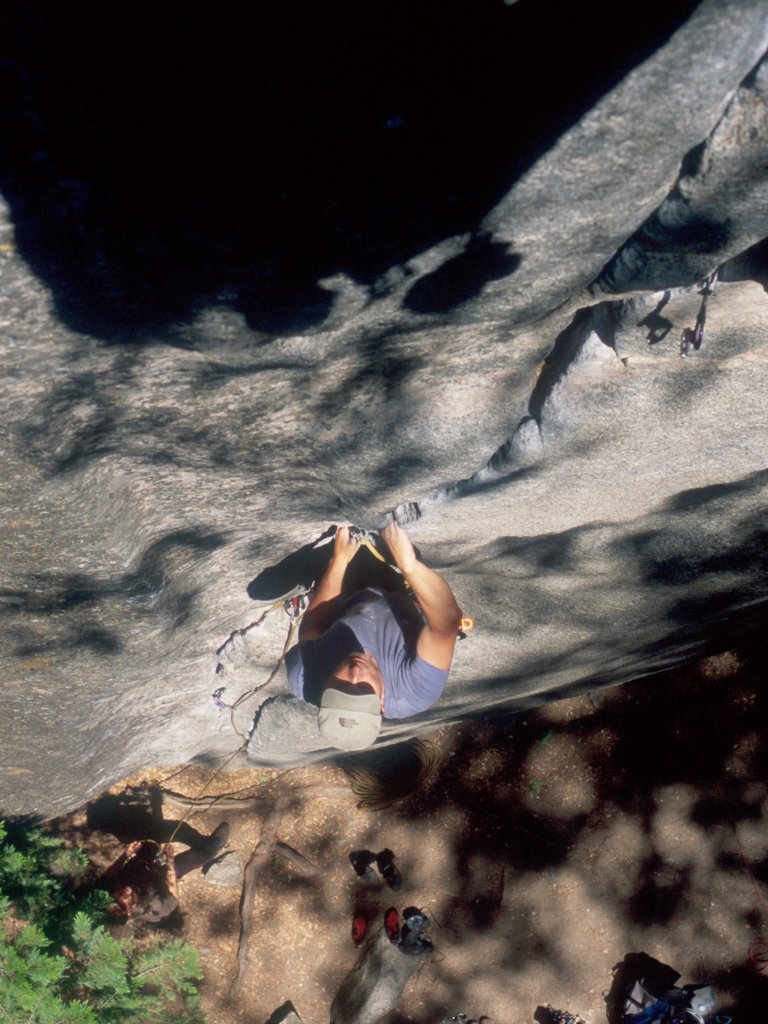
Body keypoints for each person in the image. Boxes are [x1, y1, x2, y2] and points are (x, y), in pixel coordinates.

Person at [284, 521, 463, 751]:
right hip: (405, 597)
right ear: (381, 705)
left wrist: (338, 561)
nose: (354, 674)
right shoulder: (414, 691)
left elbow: (313, 626)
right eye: (363, 689)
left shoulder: (306, 679)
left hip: (351, 598)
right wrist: (408, 565)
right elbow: (446, 624)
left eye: (340, 685)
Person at [101, 823, 229, 923]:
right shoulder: (156, 908)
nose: (120, 897)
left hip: (142, 863)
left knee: (149, 834)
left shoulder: (106, 890)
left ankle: (161, 834)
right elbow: (172, 888)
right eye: (122, 903)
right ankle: (212, 848)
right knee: (189, 861)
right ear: (129, 912)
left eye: (114, 897)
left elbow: (110, 874)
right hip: (162, 877)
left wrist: (126, 854)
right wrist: (170, 861)